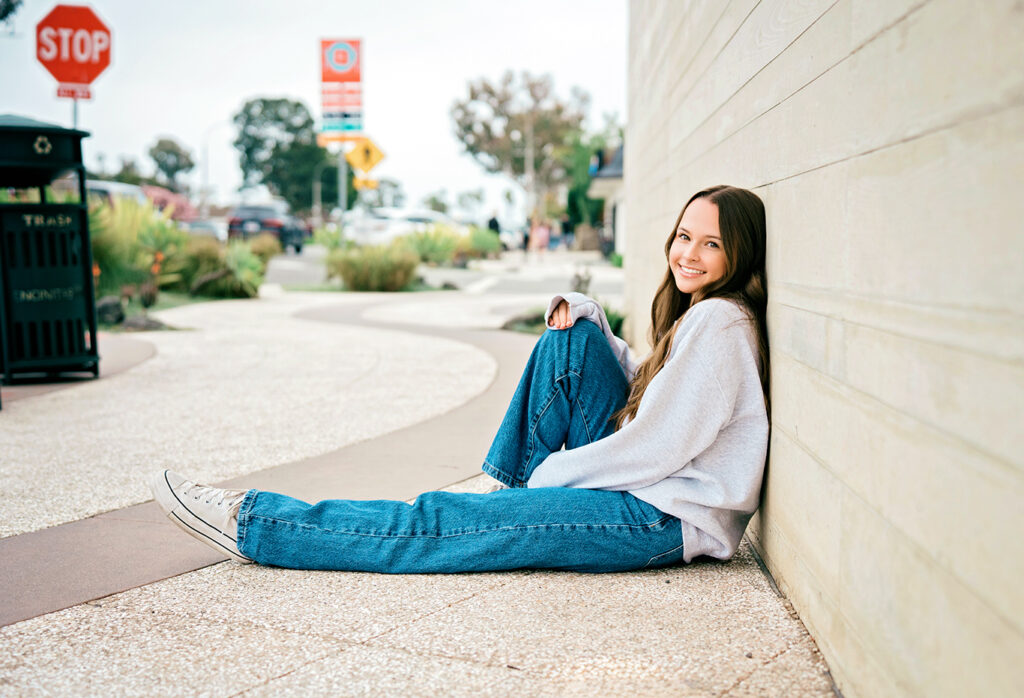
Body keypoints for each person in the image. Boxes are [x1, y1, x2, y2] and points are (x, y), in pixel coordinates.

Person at [150, 185, 770, 573]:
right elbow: (647, 390)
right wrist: (590, 316)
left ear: (737, 253)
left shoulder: (719, 322)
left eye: (709, 244)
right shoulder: (704, 313)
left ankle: (257, 522)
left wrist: (550, 480)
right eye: (683, 236)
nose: (687, 254)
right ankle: (502, 495)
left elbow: (658, 444)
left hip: (658, 521)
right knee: (573, 337)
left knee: (439, 525)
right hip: (645, 491)